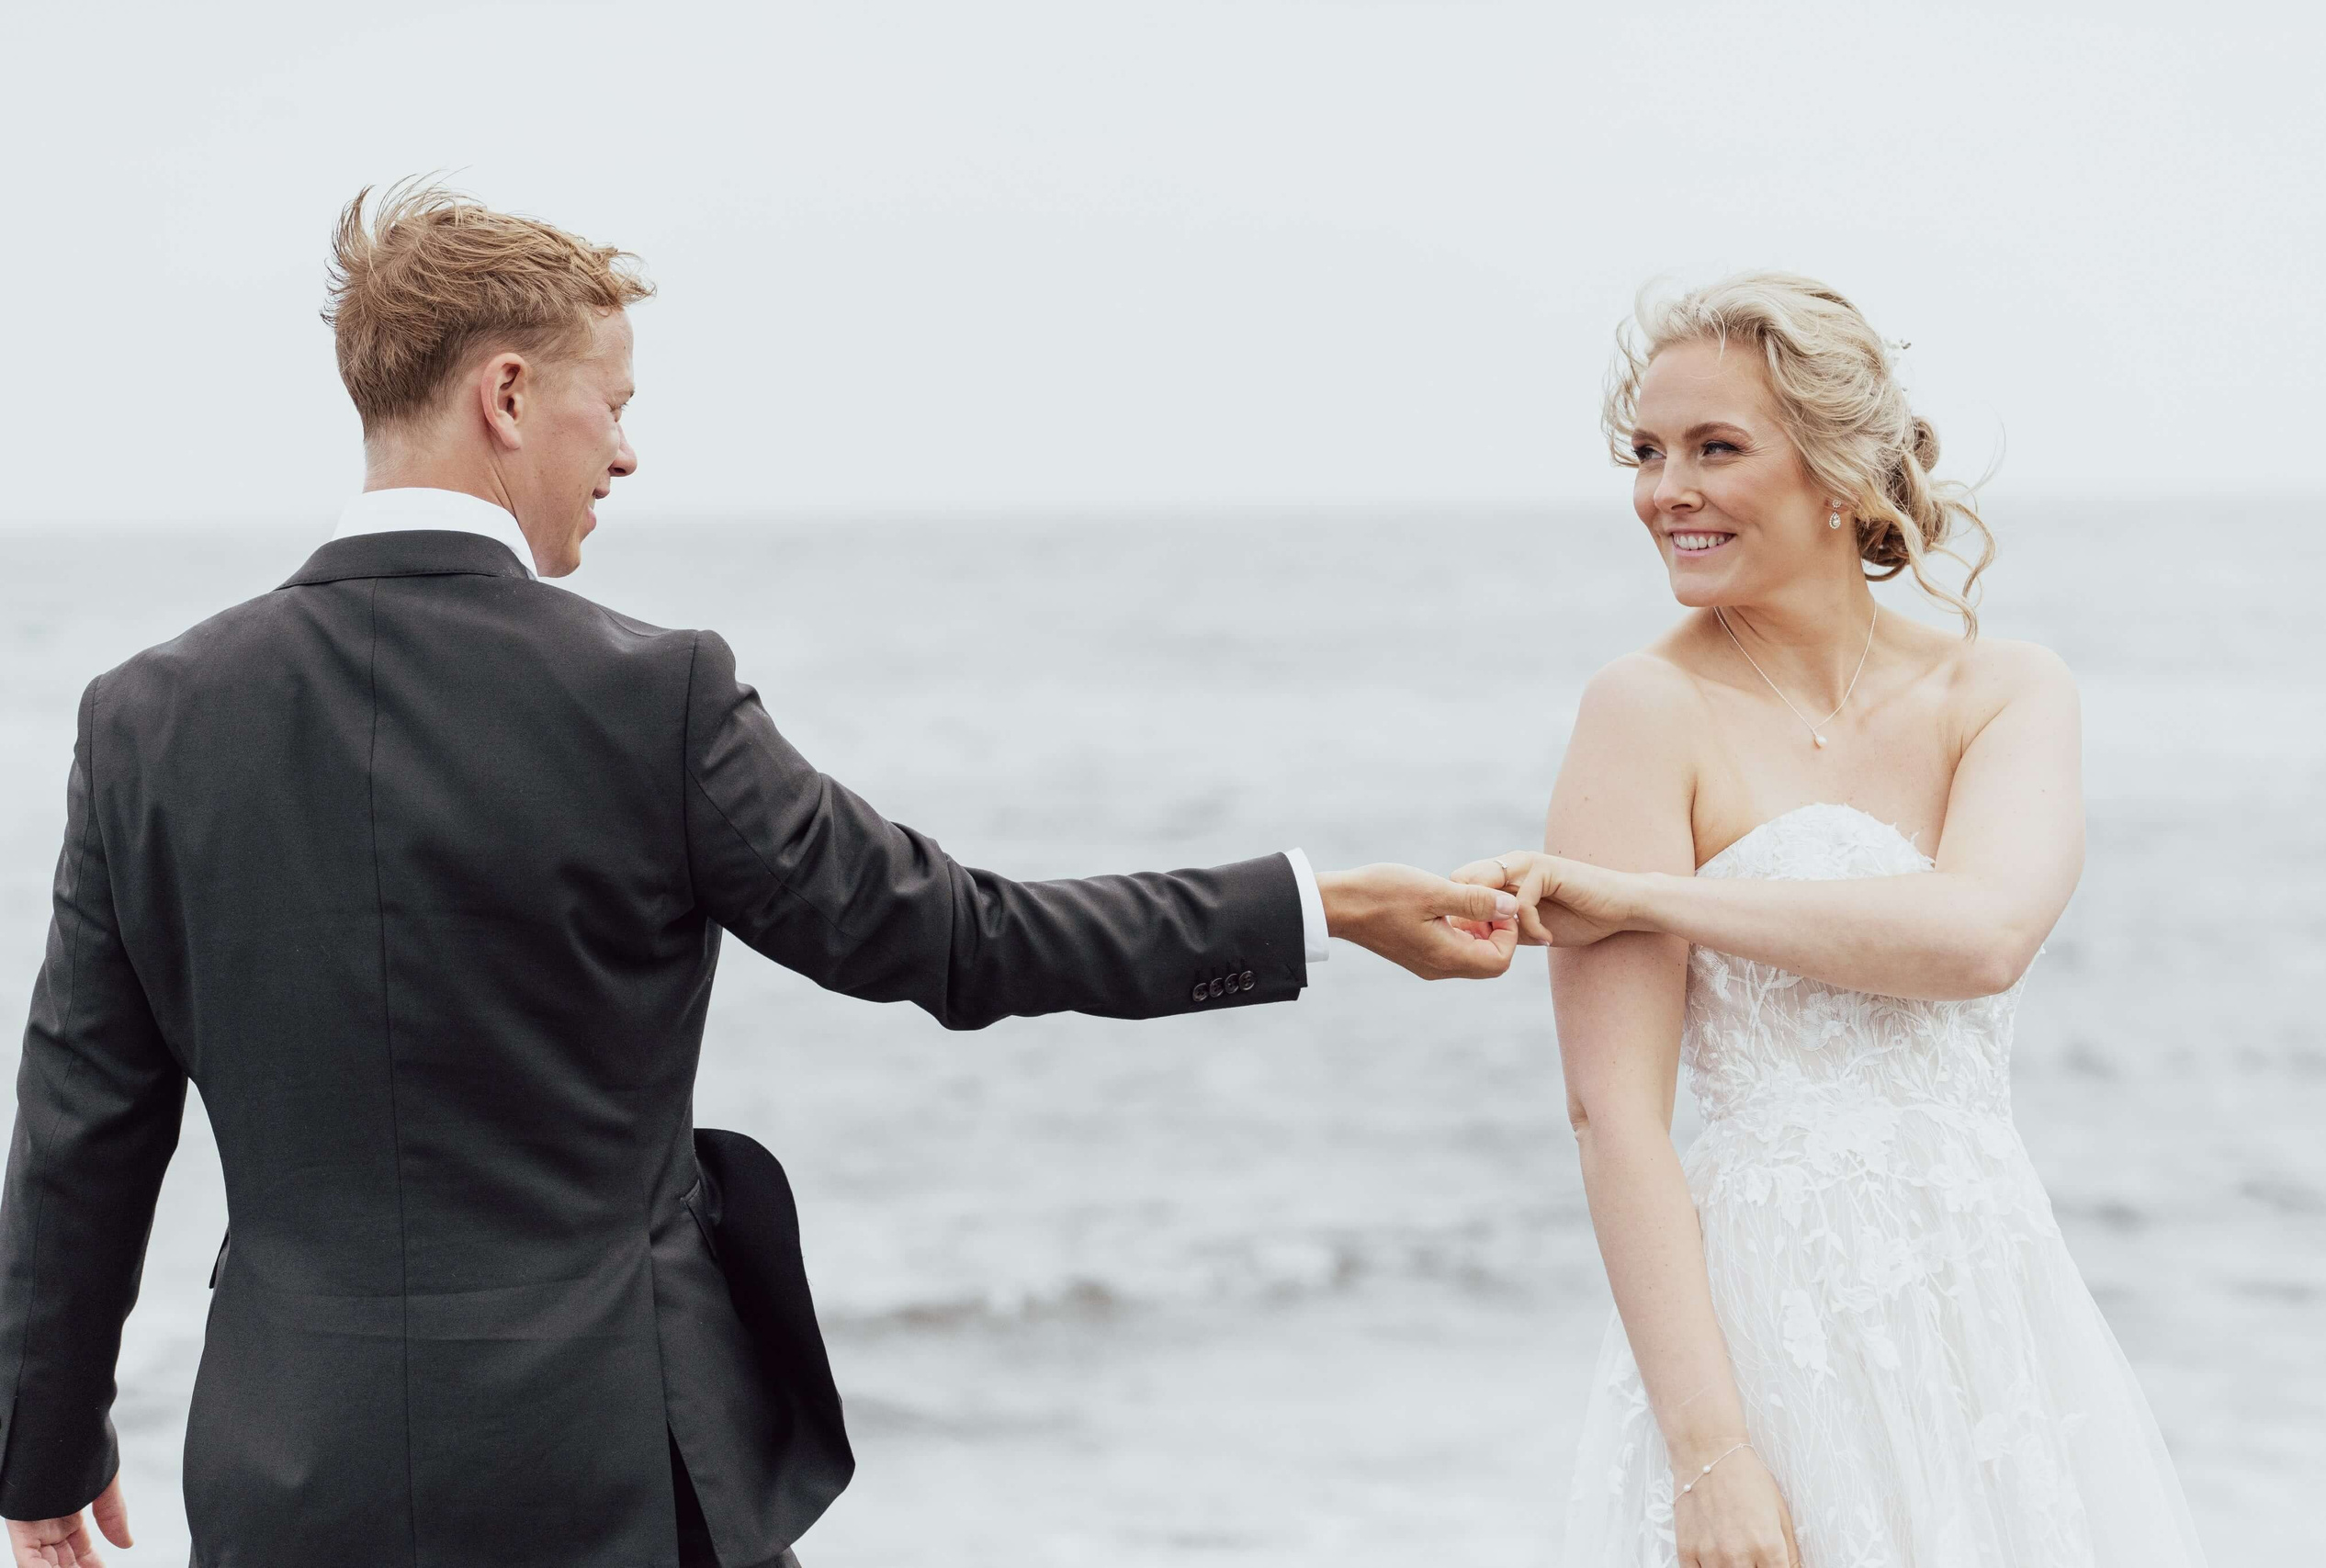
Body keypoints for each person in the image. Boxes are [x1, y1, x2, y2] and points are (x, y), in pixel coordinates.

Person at [0, 182, 1524, 1568]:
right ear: (509, 394)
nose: (631, 450)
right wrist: (1316, 909)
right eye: (616, 405)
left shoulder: (145, 719)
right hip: (611, 1469)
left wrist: (42, 1455)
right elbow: (959, 939)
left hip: (290, 1474)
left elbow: (82, 1128)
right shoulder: (648, 696)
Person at [1457, 275, 2207, 1567]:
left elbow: (1979, 940)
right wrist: (1711, 1454)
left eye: (1715, 449)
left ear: (1841, 469)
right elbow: (1613, 1118)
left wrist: (1640, 895)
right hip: (1760, 1331)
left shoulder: (2005, 692)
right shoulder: (1643, 715)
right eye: (1647, 453)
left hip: (1989, 1311)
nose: (1663, 492)